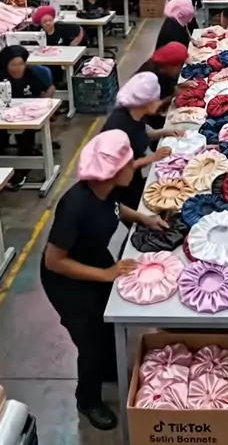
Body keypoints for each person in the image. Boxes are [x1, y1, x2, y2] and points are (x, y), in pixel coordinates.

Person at [41, 131, 169, 431]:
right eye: (128, 163)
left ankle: (109, 369)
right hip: (66, 280)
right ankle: (88, 400)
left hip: (93, 258)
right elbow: (54, 261)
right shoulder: (75, 205)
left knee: (107, 324)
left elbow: (116, 209)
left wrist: (144, 219)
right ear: (112, 171)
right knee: (90, 340)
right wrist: (106, 274)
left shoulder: (106, 190)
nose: (133, 167)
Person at [101, 72, 181, 209]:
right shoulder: (119, 127)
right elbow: (117, 168)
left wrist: (163, 132)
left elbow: (141, 136)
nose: (159, 102)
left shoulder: (135, 115)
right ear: (147, 102)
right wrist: (153, 158)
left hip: (134, 177)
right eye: (157, 98)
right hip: (121, 186)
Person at [0, 45, 55, 188]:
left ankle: (22, 168)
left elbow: (50, 88)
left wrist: (44, 102)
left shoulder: (32, 74)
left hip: (28, 114)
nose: (18, 68)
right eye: (13, 65)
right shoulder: (2, 76)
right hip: (6, 112)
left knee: (25, 138)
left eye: (21, 64)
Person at [137, 42, 189, 131]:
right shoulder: (151, 80)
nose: (180, 70)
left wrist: (180, 85)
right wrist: (173, 96)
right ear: (170, 65)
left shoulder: (160, 68)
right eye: (179, 66)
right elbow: (152, 109)